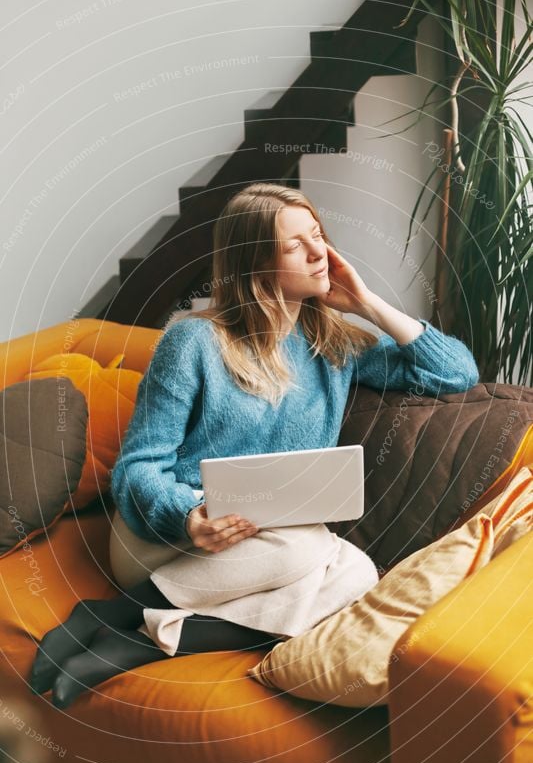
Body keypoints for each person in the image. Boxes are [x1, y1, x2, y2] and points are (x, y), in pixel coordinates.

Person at [29, 182, 479, 710]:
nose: (319, 253)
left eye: (318, 236)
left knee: (356, 574)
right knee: (306, 546)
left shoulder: (333, 345)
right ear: (255, 263)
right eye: (296, 245)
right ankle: (122, 609)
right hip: (169, 540)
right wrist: (190, 517)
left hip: (262, 547)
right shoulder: (193, 341)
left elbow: (454, 373)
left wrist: (367, 303)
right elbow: (138, 468)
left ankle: (137, 638)